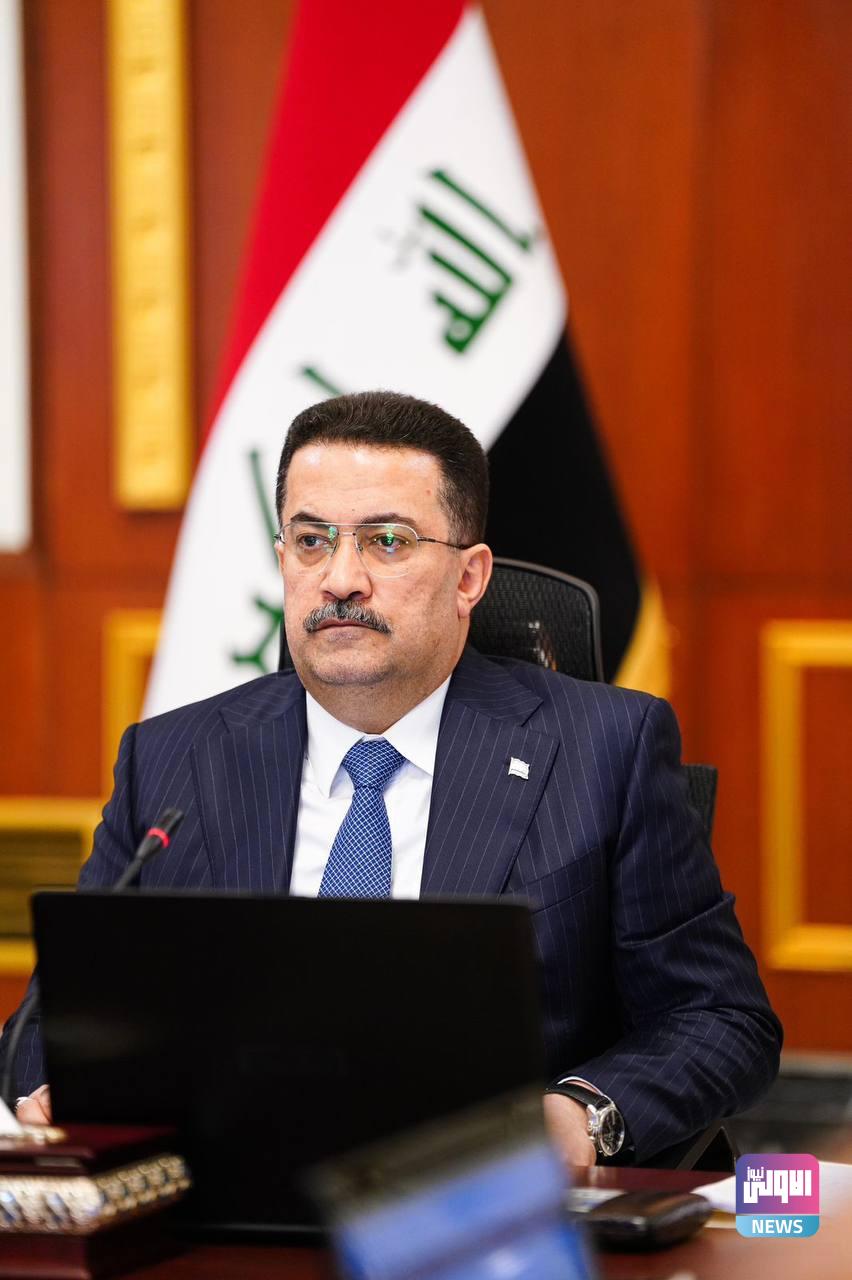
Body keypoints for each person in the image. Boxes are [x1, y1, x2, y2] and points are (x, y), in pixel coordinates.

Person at [7, 390, 781, 1164]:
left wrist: (581, 1114)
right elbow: (50, 1022)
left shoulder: (604, 750)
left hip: (486, 1198)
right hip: (224, 1191)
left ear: (469, 577)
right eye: (312, 541)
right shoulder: (172, 760)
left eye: (387, 542)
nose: (340, 579)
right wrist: (56, 1086)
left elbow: (720, 1017)